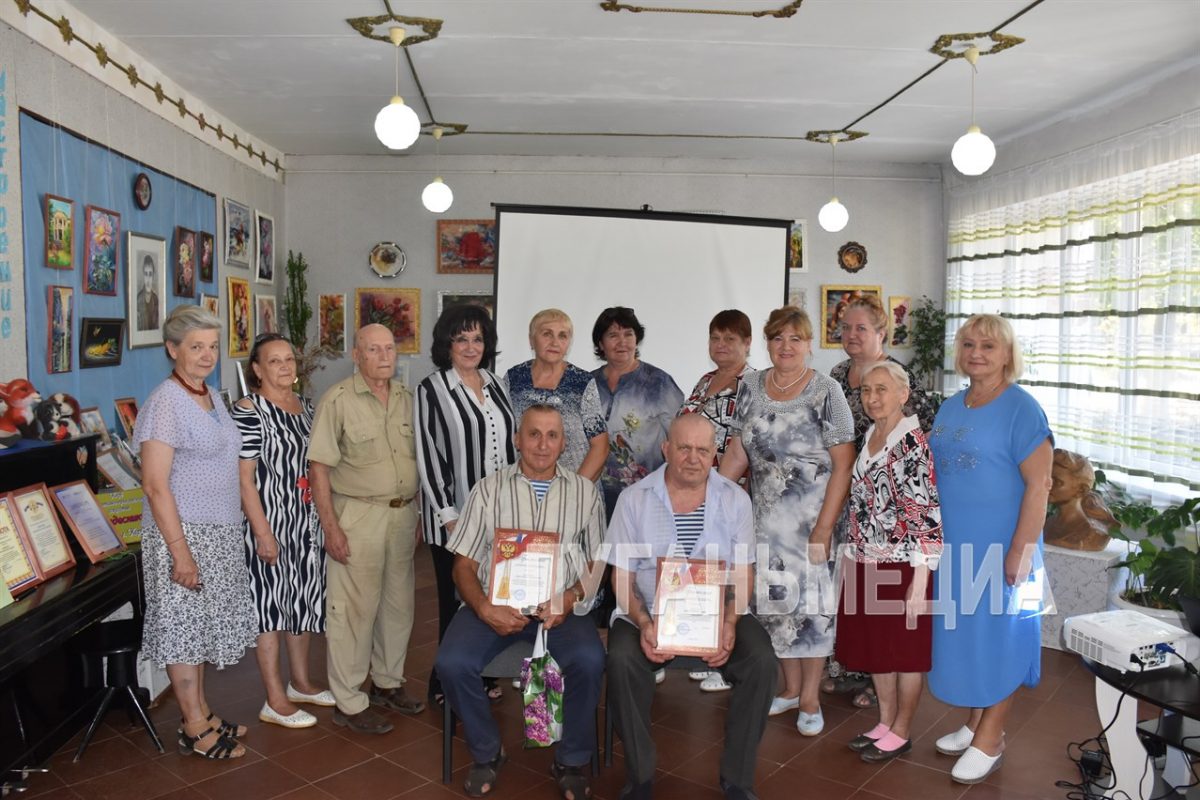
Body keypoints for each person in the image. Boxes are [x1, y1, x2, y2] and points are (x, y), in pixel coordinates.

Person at [433, 405, 606, 799]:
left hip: (559, 610)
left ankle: (571, 759)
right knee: (451, 663)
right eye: (533, 434)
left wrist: (570, 596)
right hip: (493, 604)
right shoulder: (488, 489)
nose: (542, 444)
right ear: (517, 439)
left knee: (590, 661)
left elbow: (597, 564)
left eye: (552, 435)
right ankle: (487, 750)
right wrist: (483, 607)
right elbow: (463, 564)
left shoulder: (584, 493)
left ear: (563, 443)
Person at [606, 415, 775, 800]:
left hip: (719, 615)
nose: (693, 458)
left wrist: (729, 623)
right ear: (666, 449)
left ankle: (737, 779)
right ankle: (641, 775)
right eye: (684, 448)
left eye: (703, 450)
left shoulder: (735, 500)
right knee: (620, 658)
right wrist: (645, 623)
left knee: (762, 660)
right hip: (647, 612)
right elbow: (619, 575)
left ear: (715, 455)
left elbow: (744, 572)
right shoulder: (635, 499)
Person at [927, 314, 1053, 784]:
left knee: (1001, 638)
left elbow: (1040, 484)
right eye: (968, 344)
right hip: (958, 546)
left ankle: (992, 736)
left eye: (988, 346)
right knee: (969, 637)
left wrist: (1021, 550)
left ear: (1007, 354)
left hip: (1005, 545)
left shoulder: (1023, 409)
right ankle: (977, 721)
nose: (976, 353)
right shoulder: (950, 406)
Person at [718, 306, 854, 737]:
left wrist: (824, 530)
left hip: (811, 523)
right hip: (763, 522)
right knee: (776, 608)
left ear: (809, 344)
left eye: (795, 338)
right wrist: (714, 498)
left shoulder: (827, 391)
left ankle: (812, 699)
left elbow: (844, 465)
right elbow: (739, 450)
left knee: (811, 610)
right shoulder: (752, 386)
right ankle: (791, 688)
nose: (786, 346)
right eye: (778, 338)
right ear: (767, 343)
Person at [134, 305, 257, 759]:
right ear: (172, 349)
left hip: (217, 531)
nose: (207, 355)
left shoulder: (208, 395)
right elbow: (153, 484)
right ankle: (192, 726)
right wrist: (180, 553)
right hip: (182, 534)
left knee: (201, 628)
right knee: (183, 630)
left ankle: (203, 710)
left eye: (212, 346)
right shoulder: (166, 402)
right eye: (195, 347)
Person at [308, 323, 425, 735]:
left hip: (402, 515)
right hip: (357, 516)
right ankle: (349, 701)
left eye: (390, 348)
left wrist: (419, 513)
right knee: (354, 611)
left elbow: (419, 464)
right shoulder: (337, 400)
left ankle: (387, 682)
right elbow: (318, 469)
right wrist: (331, 528)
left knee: (398, 606)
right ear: (356, 356)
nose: (384, 356)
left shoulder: (408, 399)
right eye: (373, 350)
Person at [825, 293, 936, 708]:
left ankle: (892, 711)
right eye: (846, 328)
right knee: (868, 621)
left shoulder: (902, 403)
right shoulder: (836, 375)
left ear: (881, 332)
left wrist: (923, 571)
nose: (852, 335)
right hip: (860, 516)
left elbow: (920, 494)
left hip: (899, 539)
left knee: (898, 635)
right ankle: (869, 684)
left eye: (861, 328)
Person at [835, 361, 942, 763]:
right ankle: (884, 721)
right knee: (879, 650)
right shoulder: (872, 435)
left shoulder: (911, 443)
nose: (872, 397)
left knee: (905, 654)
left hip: (903, 565)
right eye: (866, 390)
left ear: (903, 393)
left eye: (882, 389)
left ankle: (902, 730)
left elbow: (926, 514)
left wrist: (919, 582)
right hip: (865, 559)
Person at [415, 305, 518, 708]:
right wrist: (448, 516)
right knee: (455, 600)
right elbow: (428, 455)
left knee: (493, 596)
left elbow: (509, 450)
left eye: (477, 339)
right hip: (455, 519)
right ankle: (442, 682)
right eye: (461, 339)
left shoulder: (495, 383)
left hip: (500, 517)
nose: (470, 346)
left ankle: (487, 671)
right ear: (447, 344)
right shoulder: (432, 388)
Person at [232, 333, 333, 730]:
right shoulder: (249, 411)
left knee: (304, 599)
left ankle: (301, 683)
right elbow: (244, 479)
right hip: (269, 522)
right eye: (273, 361)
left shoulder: (306, 408)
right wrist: (262, 532)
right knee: (271, 607)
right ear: (256, 369)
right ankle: (274, 698)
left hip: (305, 522)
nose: (284, 366)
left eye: (288, 359)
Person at [677, 309, 754, 694]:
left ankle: (726, 665)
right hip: (695, 491)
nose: (721, 346)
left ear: (747, 344)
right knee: (705, 571)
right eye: (715, 338)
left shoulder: (752, 384)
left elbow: (748, 445)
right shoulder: (706, 380)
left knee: (727, 576)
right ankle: (705, 649)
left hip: (729, 494)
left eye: (730, 339)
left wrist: (719, 493)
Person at [591, 306, 683, 519]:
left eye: (628, 334)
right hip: (595, 499)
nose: (622, 342)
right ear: (600, 344)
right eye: (613, 335)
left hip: (647, 500)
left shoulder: (659, 383)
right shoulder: (588, 384)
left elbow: (680, 441)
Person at [503, 308, 609, 479]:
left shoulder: (582, 382)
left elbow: (600, 447)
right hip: (522, 490)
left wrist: (574, 492)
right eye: (547, 334)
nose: (555, 342)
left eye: (562, 336)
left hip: (575, 492)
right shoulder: (513, 378)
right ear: (531, 340)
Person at [136, 254, 160, 332]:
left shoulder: (156, 299)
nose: (148, 279)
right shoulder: (138, 298)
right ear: (143, 275)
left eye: (150, 274)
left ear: (153, 276)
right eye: (146, 274)